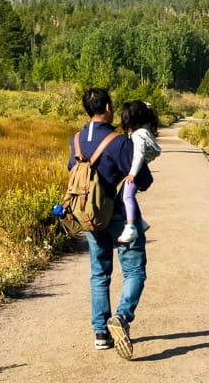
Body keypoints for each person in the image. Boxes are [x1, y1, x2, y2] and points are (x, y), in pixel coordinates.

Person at [68, 88, 153, 359]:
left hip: (91, 215)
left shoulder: (77, 140)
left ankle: (101, 334)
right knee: (134, 271)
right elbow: (144, 180)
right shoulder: (118, 142)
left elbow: (74, 169)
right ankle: (121, 317)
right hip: (120, 215)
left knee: (99, 273)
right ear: (106, 107)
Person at [118, 100, 161, 245]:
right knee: (128, 197)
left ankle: (131, 227)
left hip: (136, 171)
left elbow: (139, 154)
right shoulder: (145, 131)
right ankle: (140, 223)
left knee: (126, 197)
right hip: (142, 169)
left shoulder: (138, 135)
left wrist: (132, 173)